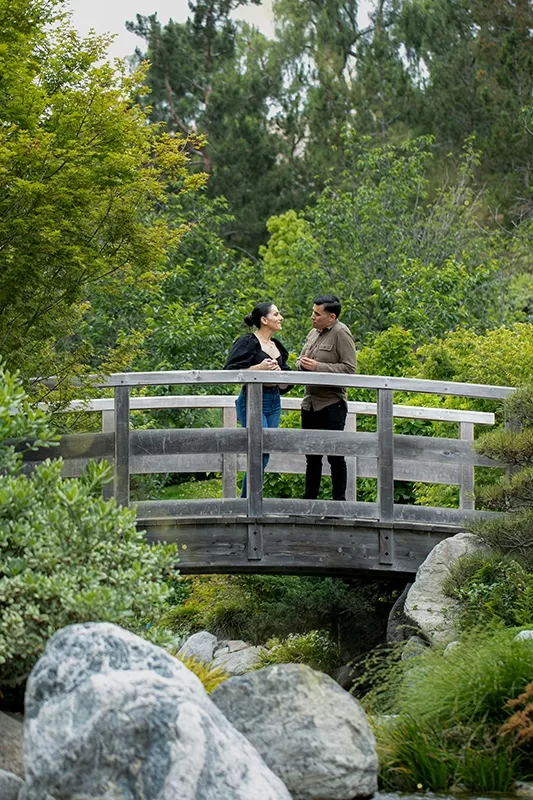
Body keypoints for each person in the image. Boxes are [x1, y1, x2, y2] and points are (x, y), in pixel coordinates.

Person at [224, 302, 290, 497]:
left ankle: (250, 501)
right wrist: (258, 369)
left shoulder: (278, 346)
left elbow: (286, 384)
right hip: (252, 400)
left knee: (265, 451)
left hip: (274, 401)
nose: (281, 318)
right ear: (264, 320)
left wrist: (280, 375)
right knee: (257, 451)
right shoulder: (248, 342)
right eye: (276, 314)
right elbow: (229, 372)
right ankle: (248, 503)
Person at [296, 294, 357, 501]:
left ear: (331, 317)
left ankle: (338, 506)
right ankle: (309, 503)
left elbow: (350, 370)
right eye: (313, 312)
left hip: (332, 404)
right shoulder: (313, 333)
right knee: (311, 458)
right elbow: (302, 360)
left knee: (335, 456)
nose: (312, 317)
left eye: (317, 314)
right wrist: (301, 364)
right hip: (309, 403)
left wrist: (318, 367)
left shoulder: (341, 333)